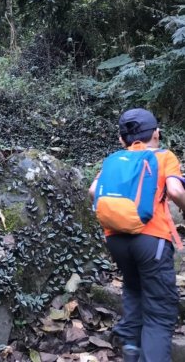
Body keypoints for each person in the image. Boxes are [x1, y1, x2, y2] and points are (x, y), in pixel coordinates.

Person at [89, 108, 185, 362]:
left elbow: (92, 191)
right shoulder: (165, 157)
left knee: (133, 287)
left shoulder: (114, 159)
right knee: (159, 311)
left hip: (116, 239)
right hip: (151, 240)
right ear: (156, 133)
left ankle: (131, 347)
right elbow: (175, 191)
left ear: (122, 139)